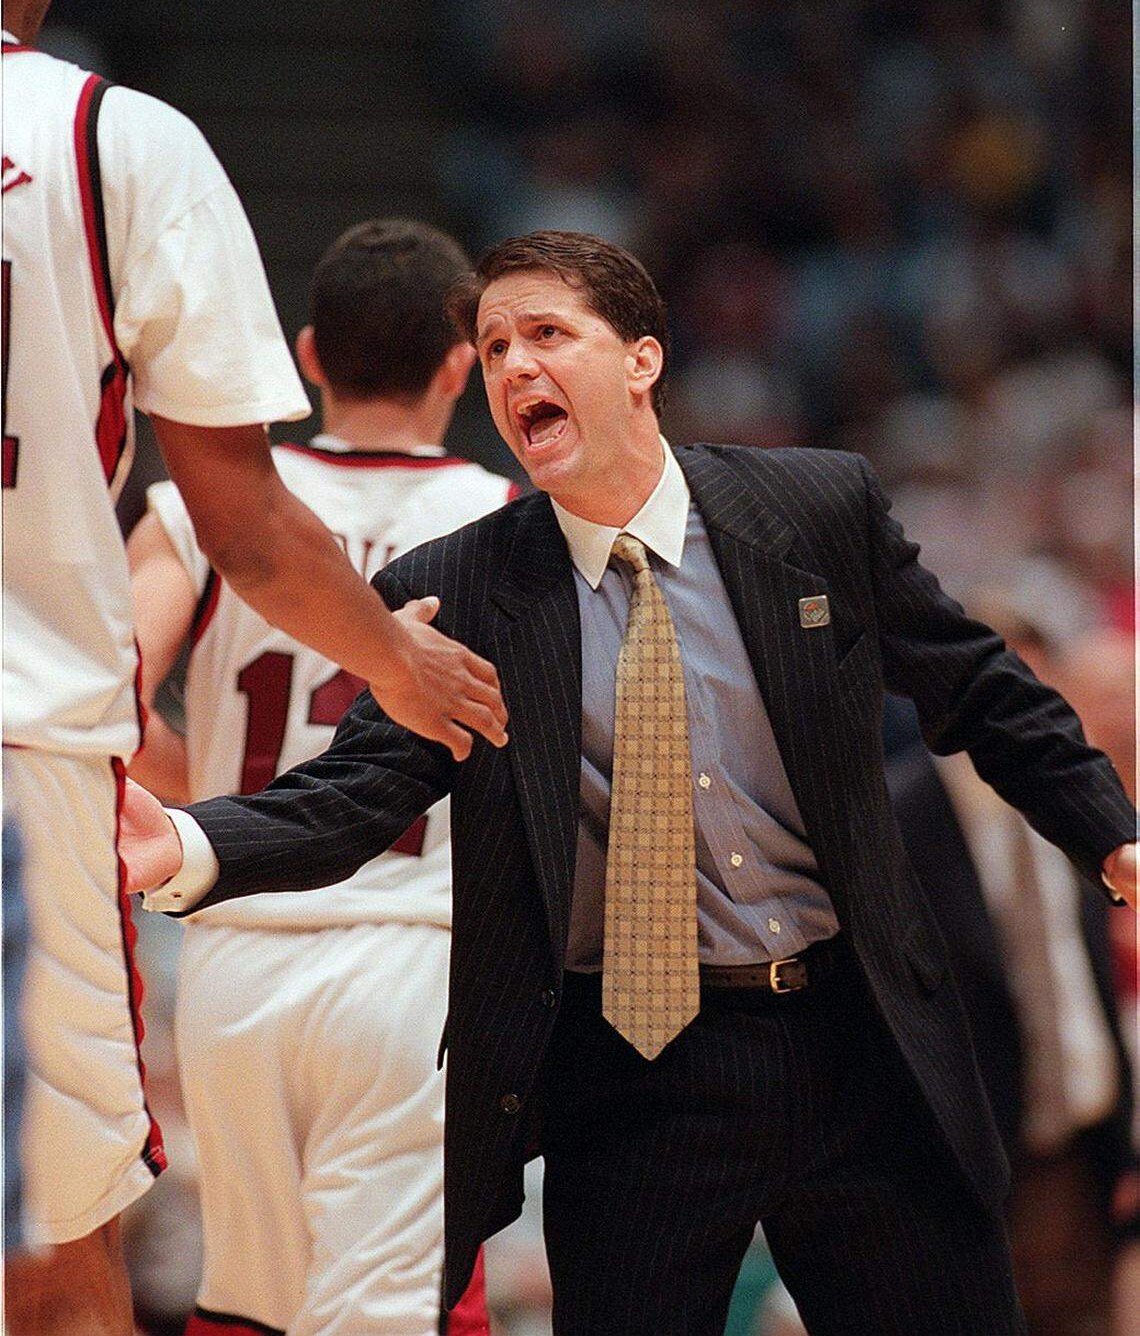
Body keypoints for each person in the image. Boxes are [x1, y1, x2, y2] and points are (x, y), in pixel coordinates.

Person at [121, 231, 1138, 1336]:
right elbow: (358, 789)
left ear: (642, 360)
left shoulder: (812, 510)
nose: (514, 366)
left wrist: (1112, 835)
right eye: (494, 343)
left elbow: (981, 687)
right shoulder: (464, 584)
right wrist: (185, 844)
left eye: (546, 334)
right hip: (638, 1063)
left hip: (860, 1036)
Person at [1, 0, 505, 1330]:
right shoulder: (113, 143)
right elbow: (244, 523)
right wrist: (404, 665)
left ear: (313, 354)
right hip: (60, 777)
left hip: (238, 965)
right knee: (59, 1254)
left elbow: (170, 637)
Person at [127, 218, 512, 1336]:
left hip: (233, 954)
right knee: (400, 1313)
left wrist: (204, 791)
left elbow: (108, 697)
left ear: (307, 355)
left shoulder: (209, 510)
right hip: (410, 955)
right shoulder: (505, 521)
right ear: (460, 367)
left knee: (249, 1308)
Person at [887, 581, 1136, 1336]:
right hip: (967, 1170)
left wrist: (1123, 1137)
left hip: (1086, 1156)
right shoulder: (895, 815)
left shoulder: (1078, 801)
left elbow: (1083, 975)